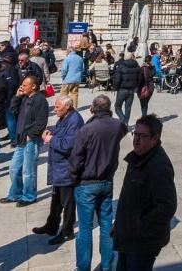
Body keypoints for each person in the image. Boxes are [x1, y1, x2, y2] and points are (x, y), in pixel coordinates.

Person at [113, 114, 178, 270]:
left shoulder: (159, 167)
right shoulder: (138, 156)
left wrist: (137, 227)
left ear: (154, 139)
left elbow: (167, 207)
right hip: (127, 236)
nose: (136, 139)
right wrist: (121, 224)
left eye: (142, 135)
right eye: (135, 133)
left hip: (142, 243)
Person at [70, 94, 127, 271]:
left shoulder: (87, 129)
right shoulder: (118, 126)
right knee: (105, 225)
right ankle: (107, 265)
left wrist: (73, 177)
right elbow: (122, 130)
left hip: (87, 183)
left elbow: (76, 158)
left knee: (85, 229)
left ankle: (83, 267)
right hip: (106, 181)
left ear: (92, 109)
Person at [34, 95, 85, 243]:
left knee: (68, 202)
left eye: (57, 107)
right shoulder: (64, 117)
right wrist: (53, 134)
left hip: (67, 168)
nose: (55, 109)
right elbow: (62, 135)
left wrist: (51, 140)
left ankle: (67, 231)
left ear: (67, 107)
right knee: (56, 199)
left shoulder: (74, 120)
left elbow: (69, 145)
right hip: (59, 167)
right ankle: (51, 225)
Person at [0, 76, 48, 207]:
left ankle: (29, 196)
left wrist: (31, 136)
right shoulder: (25, 98)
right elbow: (14, 111)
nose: (22, 87)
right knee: (14, 169)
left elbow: (41, 122)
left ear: (34, 86)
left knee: (28, 171)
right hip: (21, 140)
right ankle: (15, 194)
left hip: (30, 141)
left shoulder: (40, 100)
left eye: (25, 85)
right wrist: (17, 96)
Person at [112, 53, 141, 131]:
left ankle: (123, 120)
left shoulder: (121, 67)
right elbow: (140, 79)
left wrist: (115, 87)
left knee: (117, 106)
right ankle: (126, 123)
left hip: (122, 89)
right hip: (131, 90)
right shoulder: (137, 67)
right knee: (128, 108)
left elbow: (117, 80)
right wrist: (136, 86)